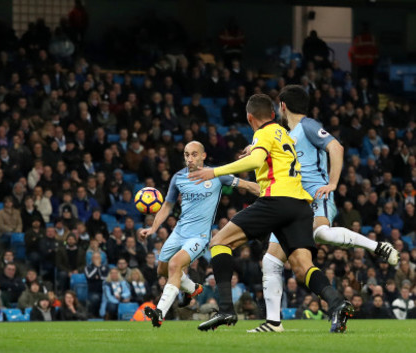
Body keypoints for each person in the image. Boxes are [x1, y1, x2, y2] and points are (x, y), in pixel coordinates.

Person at [189, 93, 354, 333]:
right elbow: (269, 156)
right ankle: (338, 303)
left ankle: (225, 309)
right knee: (301, 265)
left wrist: (214, 172)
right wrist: (255, 149)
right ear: (274, 114)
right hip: (300, 206)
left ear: (249, 118)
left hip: (276, 200)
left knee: (219, 242)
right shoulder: (283, 133)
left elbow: (256, 161)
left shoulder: (263, 133)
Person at [249, 86, 398, 333]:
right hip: (292, 201)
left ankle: (377, 247)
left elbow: (336, 147)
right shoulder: (286, 134)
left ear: (283, 106)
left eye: (279, 106)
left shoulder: (308, 126)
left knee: (321, 234)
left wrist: (332, 183)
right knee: (271, 260)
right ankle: (274, 322)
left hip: (317, 194)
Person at [140, 141, 259, 327]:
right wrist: (153, 228)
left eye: (194, 154)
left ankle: (159, 312)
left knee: (175, 265)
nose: (189, 159)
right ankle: (192, 288)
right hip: (179, 231)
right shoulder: (178, 177)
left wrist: (269, 192)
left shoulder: (217, 175)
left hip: (199, 236)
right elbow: (168, 206)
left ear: (203, 156)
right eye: (187, 154)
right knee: (161, 270)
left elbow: (247, 185)